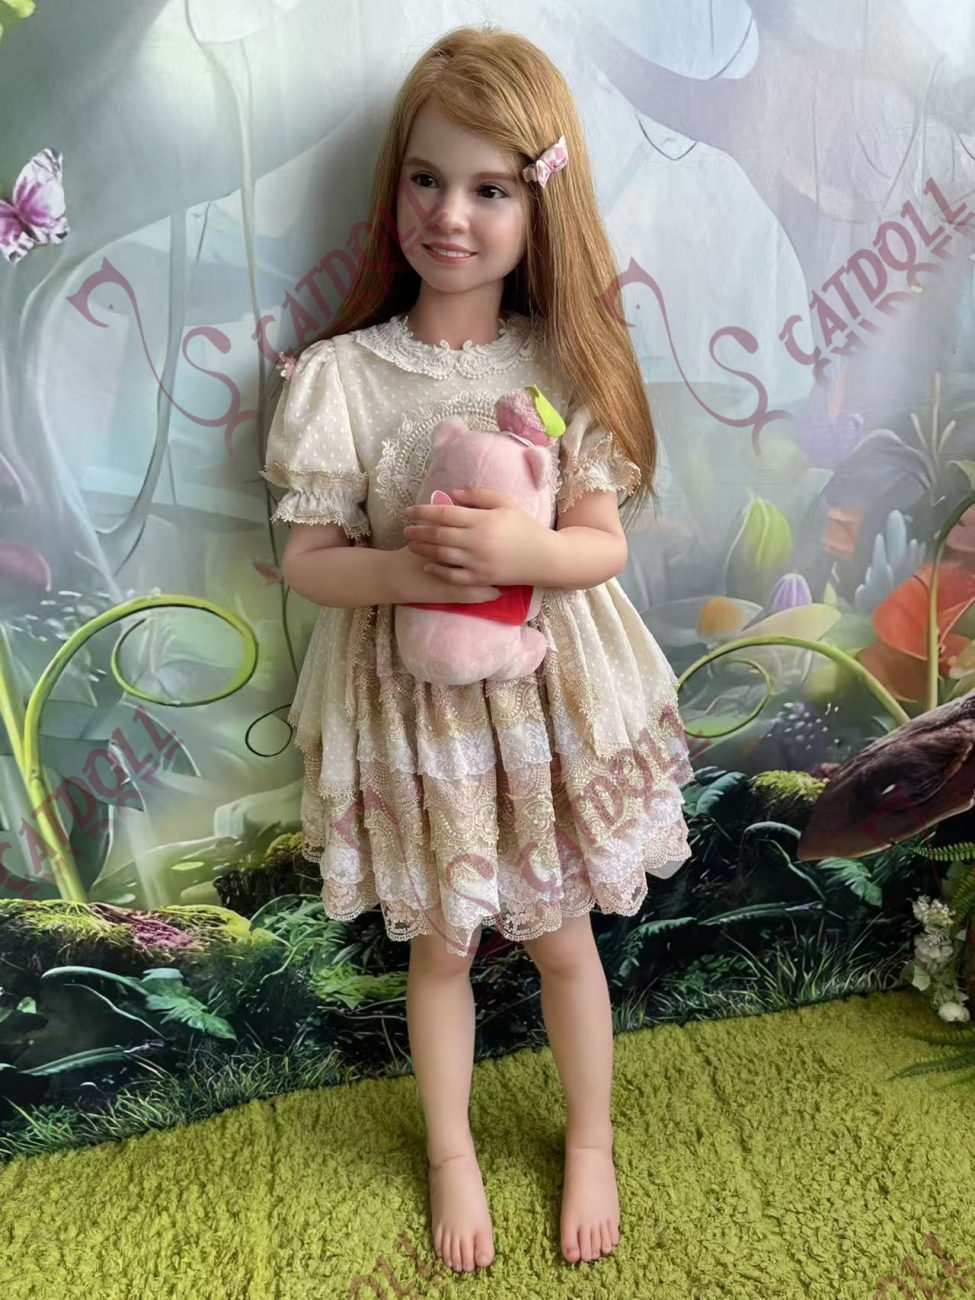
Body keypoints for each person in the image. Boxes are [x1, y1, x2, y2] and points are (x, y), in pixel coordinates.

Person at [260, 24, 694, 1276]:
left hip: (548, 701)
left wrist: (523, 547)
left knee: (562, 937)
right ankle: (451, 1148)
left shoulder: (565, 361)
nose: (450, 215)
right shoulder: (343, 377)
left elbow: (601, 543)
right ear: (395, 182)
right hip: (416, 709)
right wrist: (409, 571)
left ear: (540, 203)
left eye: (491, 188)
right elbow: (308, 559)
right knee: (441, 944)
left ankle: (590, 1136)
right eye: (427, 179)